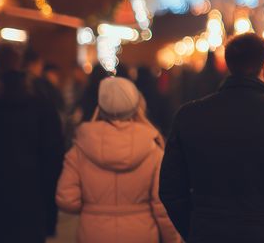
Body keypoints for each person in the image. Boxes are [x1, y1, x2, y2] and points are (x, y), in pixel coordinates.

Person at [160, 33, 264, 242]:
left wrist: (194, 227)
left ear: (229, 67)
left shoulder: (189, 116)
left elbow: (170, 190)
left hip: (208, 232)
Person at [56, 77, 180, 243]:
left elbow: (66, 199)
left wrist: (94, 208)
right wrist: (173, 239)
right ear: (137, 106)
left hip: (93, 234)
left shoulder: (80, 149)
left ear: (100, 107)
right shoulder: (153, 148)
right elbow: (161, 206)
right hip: (140, 234)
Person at [0, 45, 65, 242]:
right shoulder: (39, 101)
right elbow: (53, 156)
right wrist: (50, 212)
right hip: (30, 200)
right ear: (18, 65)